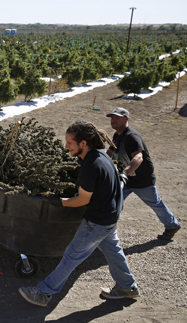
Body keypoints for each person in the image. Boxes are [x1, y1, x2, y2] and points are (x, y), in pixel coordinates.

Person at [19, 121, 139, 307]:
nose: (66, 146)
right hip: (110, 217)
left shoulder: (90, 166)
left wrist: (59, 202)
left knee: (71, 256)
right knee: (113, 251)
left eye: (70, 143)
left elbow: (83, 200)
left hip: (97, 222)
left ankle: (43, 292)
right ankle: (127, 287)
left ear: (83, 143)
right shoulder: (101, 155)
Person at [106, 107, 181, 240]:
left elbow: (138, 157)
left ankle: (172, 225)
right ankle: (107, 232)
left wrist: (124, 173)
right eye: (112, 117)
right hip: (126, 179)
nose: (113, 120)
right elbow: (110, 153)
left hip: (142, 180)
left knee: (155, 203)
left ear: (126, 119)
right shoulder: (117, 136)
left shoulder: (131, 136)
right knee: (114, 203)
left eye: (117, 117)